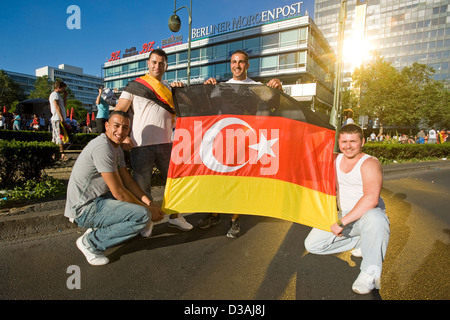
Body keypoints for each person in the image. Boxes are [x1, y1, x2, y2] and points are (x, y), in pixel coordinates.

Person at [199, 49, 282, 238]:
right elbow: (205, 106)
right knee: (217, 179)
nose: (237, 65)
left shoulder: (256, 87)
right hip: (222, 139)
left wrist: (279, 88)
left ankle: (235, 220)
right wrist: (205, 88)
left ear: (248, 65)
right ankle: (214, 214)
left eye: (241, 62)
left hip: (245, 140)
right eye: (234, 62)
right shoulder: (221, 87)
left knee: (238, 180)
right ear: (230, 65)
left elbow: (275, 105)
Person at [64, 111, 165, 266]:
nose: (120, 131)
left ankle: (98, 228)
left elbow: (128, 181)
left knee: (140, 204)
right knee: (142, 216)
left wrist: (148, 202)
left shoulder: (115, 147)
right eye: (116, 126)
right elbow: (119, 192)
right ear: (106, 126)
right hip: (83, 208)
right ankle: (91, 242)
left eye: (125, 128)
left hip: (98, 199)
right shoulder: (102, 148)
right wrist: (149, 210)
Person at [304, 124, 390, 294]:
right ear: (339, 142)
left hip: (365, 217)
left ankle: (370, 273)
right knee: (313, 245)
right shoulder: (335, 159)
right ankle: (363, 240)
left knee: (376, 218)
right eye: (344, 141)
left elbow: (371, 199)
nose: (348, 146)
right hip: (344, 215)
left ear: (362, 142)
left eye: (353, 141)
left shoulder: (370, 163)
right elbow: (308, 157)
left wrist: (341, 222)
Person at [114, 48, 193, 236]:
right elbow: (120, 110)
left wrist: (181, 92)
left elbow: (187, 110)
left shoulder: (169, 89)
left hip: (168, 144)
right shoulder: (134, 86)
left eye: (161, 63)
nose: (157, 66)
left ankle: (175, 216)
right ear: (148, 64)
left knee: (174, 183)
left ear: (166, 66)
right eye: (154, 62)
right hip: (140, 145)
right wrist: (123, 135)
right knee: (143, 186)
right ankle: (146, 221)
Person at [49, 81, 68, 161]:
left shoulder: (58, 95)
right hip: (57, 118)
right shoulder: (54, 94)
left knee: (57, 136)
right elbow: (56, 106)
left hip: (58, 118)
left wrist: (65, 96)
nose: (64, 89)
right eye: (63, 88)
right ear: (59, 87)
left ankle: (54, 154)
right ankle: (62, 154)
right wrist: (61, 117)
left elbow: (64, 105)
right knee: (59, 136)